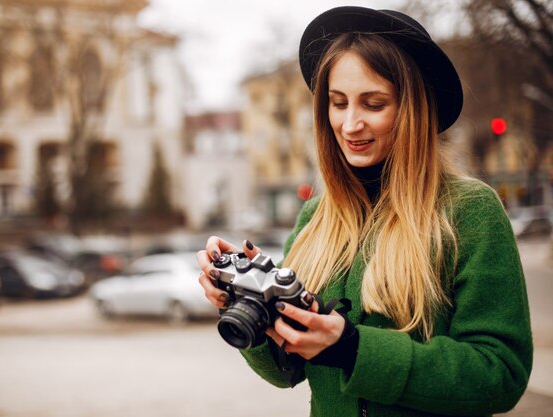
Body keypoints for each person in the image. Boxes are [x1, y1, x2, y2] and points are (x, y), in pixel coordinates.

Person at [196, 6, 532, 417]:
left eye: (373, 104)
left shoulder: (470, 211)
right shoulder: (315, 217)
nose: (350, 124)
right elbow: (285, 373)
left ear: (413, 110)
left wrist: (354, 350)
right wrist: (244, 303)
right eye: (338, 103)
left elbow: (501, 374)